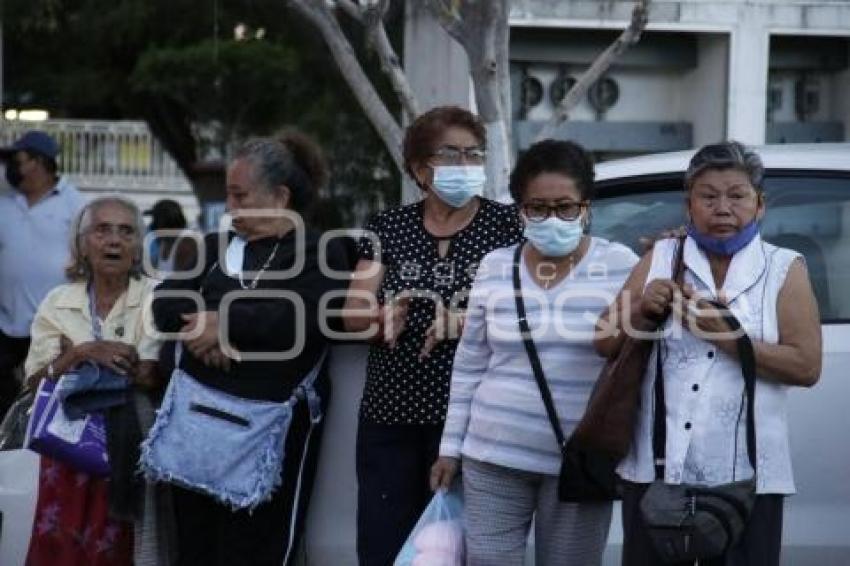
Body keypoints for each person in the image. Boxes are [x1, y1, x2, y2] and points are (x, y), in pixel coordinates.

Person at [595, 141, 822, 566]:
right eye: (708, 196)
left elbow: (807, 366)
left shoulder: (784, 267)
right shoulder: (661, 257)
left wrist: (727, 339)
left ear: (759, 205)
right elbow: (604, 340)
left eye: (737, 195)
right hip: (658, 470)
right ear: (689, 205)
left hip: (749, 476)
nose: (722, 208)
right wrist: (643, 308)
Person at [429, 139, 638, 565]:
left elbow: (636, 361)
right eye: (537, 208)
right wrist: (450, 448)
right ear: (521, 210)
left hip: (579, 461)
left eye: (565, 207)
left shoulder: (622, 265)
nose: (551, 219)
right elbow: (469, 366)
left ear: (586, 206)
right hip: (491, 455)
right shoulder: (494, 265)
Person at [151, 132, 349, 566]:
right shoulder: (216, 247)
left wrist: (225, 322)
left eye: (240, 196)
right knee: (195, 550)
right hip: (198, 431)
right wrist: (205, 330)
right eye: (228, 195)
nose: (231, 208)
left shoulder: (322, 250)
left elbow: (305, 315)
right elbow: (165, 303)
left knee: (255, 551)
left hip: (267, 432)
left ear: (279, 197)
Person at [342, 105, 524, 566]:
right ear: (421, 168)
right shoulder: (388, 227)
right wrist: (380, 317)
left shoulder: (508, 226)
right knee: (384, 544)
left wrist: (462, 322)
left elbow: (530, 311)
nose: (467, 166)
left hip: (471, 422)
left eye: (474, 155)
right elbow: (351, 312)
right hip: (390, 414)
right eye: (452, 155)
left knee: (454, 548)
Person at [23, 196, 163, 566]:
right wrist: (81, 353)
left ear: (137, 248)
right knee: (63, 543)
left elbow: (148, 373)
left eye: (126, 232)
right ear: (82, 245)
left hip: (129, 443)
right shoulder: (58, 301)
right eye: (102, 230)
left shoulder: (155, 297)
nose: (114, 241)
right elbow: (35, 384)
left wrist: (70, 364)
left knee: (122, 548)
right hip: (65, 448)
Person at [0, 131, 85, 418]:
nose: (11, 167)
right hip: (5, 324)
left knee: (43, 401)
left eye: (18, 160)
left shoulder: (74, 203)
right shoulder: (5, 203)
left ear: (39, 162)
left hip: (53, 325)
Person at [143, 198, 197, 274]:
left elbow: (183, 282)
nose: (152, 225)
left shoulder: (186, 245)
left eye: (155, 220)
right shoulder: (164, 243)